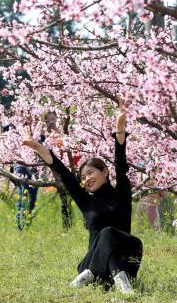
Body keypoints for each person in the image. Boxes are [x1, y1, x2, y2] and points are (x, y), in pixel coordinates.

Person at [22, 103, 142, 294]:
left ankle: (111, 277)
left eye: (90, 173)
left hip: (126, 259)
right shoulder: (86, 201)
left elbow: (120, 162)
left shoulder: (122, 193)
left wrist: (120, 126)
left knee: (112, 234)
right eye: (83, 177)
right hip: (95, 263)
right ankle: (120, 284)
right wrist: (38, 147)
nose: (86, 179)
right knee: (106, 233)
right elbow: (62, 172)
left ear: (105, 171)